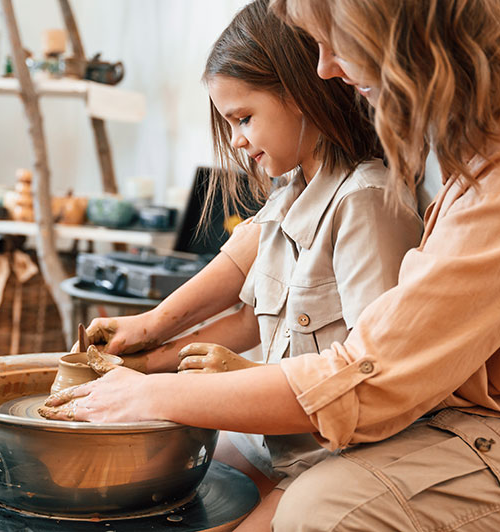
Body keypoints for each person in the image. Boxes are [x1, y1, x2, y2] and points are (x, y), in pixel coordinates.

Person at [47, 0, 500, 529]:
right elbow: (262, 247)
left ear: (394, 20)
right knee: (195, 460)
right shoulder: (444, 102)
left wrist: (153, 390)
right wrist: (153, 334)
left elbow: (373, 376)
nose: (324, 69)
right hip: (437, 400)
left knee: (315, 510)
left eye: (331, 40)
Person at [59, 0, 421, 528]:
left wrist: (245, 374)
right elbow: (253, 310)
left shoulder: (365, 201)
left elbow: (369, 374)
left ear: (303, 94)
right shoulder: (290, 194)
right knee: (150, 497)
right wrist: (141, 350)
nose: (236, 140)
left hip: (338, 452)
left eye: (244, 118)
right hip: (279, 440)